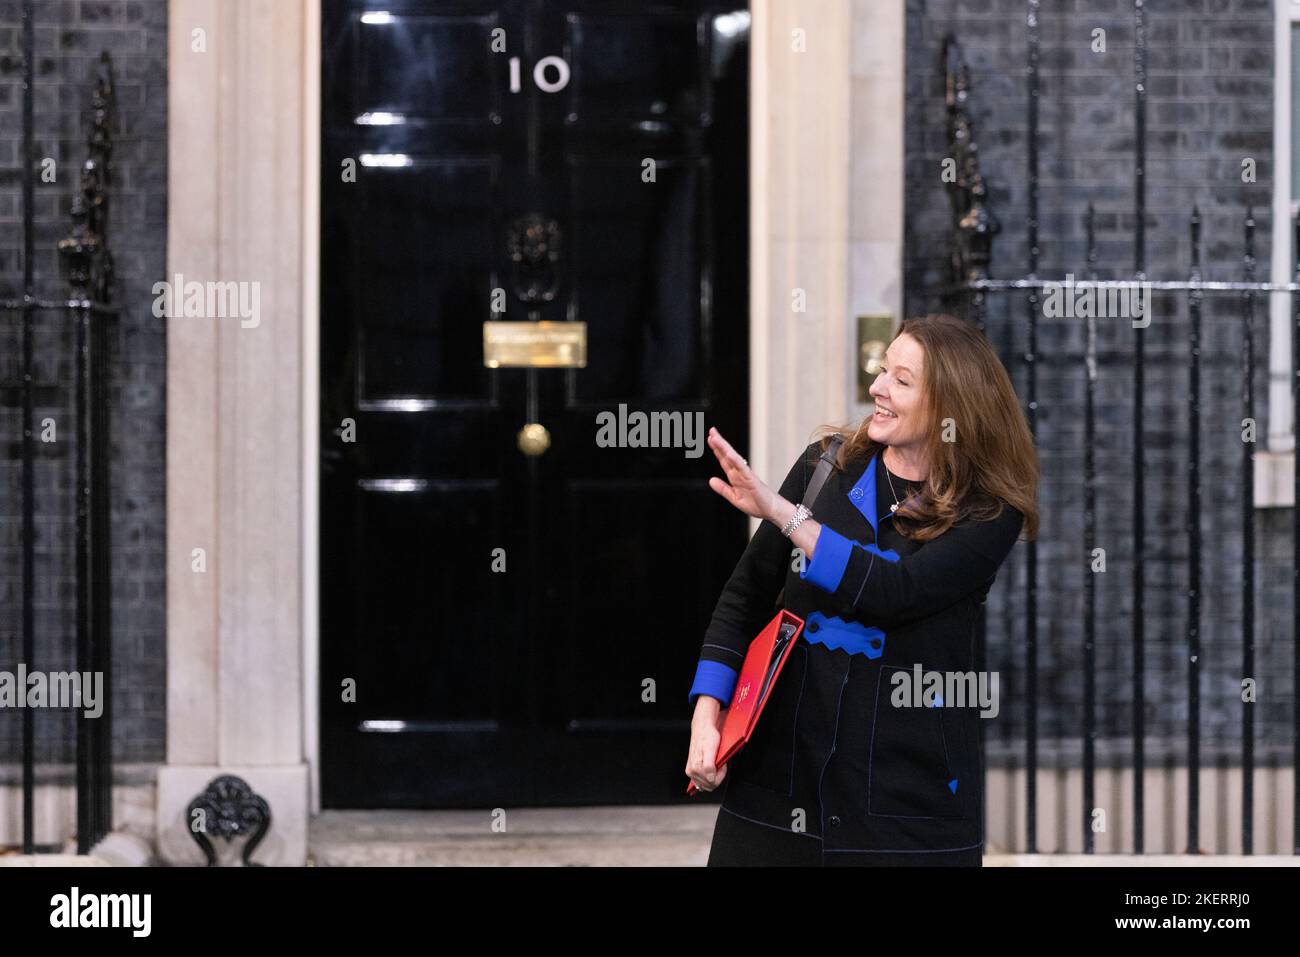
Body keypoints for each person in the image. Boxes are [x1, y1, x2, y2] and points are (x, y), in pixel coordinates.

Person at [684, 313, 1039, 866]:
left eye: (902, 379)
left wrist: (782, 515)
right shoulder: (825, 467)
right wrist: (708, 715)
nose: (877, 387)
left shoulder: (989, 511)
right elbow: (745, 597)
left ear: (951, 405)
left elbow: (897, 592)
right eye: (882, 371)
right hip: (776, 789)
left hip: (908, 808)